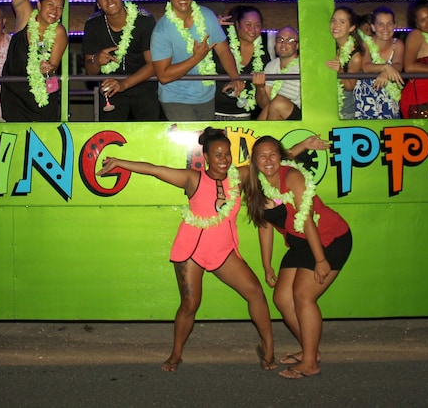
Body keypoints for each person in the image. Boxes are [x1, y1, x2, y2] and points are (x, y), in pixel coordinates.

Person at [96, 127, 276, 372]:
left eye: (227, 154)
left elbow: (268, 164)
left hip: (223, 252)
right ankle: (176, 354)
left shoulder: (239, 176)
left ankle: (269, 350)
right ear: (207, 158)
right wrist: (119, 162)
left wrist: (301, 147)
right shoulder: (194, 179)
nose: (223, 160)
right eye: (218, 155)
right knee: (190, 304)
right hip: (191, 250)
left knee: (255, 293)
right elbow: (155, 170)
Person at [242, 136, 352, 379]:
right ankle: (311, 350)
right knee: (282, 298)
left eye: (273, 154)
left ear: (280, 156)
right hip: (299, 243)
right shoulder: (256, 183)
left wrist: (321, 260)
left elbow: (308, 219)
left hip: (329, 237)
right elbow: (265, 226)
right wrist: (266, 264)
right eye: (262, 155)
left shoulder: (292, 176)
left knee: (303, 295)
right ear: (255, 161)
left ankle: (310, 362)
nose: (268, 160)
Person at [151, 0, 243, 121]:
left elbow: (223, 50)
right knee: (191, 142)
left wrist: (235, 77)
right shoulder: (161, 30)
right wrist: (197, 58)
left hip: (206, 95)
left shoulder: (207, 16)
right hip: (176, 97)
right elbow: (163, 76)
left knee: (204, 142)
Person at [83, 0, 159, 121]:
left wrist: (124, 84)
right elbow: (90, 69)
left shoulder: (144, 20)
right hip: (110, 88)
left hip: (143, 84)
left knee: (147, 134)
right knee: (110, 135)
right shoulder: (93, 24)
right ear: (98, 4)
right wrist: (96, 60)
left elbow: (153, 64)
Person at [214, 6, 270, 120]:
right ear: (237, 24)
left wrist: (260, 87)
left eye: (257, 25)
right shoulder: (221, 41)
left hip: (243, 115)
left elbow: (264, 101)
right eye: (248, 25)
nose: (253, 30)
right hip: (212, 111)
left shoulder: (264, 53)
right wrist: (211, 24)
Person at [355, 6, 403, 119]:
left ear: (394, 26)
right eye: (380, 24)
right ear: (373, 27)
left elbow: (398, 65)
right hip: (366, 99)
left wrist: (386, 72)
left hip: (389, 101)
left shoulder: (398, 44)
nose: (385, 28)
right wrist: (386, 67)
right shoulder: (365, 43)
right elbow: (366, 67)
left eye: (389, 24)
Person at [325, 6, 366, 120]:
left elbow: (350, 86)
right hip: (325, 106)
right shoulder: (327, 47)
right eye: (333, 20)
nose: (336, 25)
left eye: (342, 22)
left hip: (345, 111)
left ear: (351, 27)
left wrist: (340, 71)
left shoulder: (356, 56)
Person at [253, 26, 301, 120]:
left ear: (297, 45)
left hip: (301, 116)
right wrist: (260, 88)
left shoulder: (301, 66)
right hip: (277, 112)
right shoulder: (272, 65)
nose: (283, 44)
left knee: (278, 103)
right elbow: (265, 105)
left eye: (289, 40)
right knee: (274, 104)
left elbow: (278, 102)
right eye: (280, 39)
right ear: (275, 43)